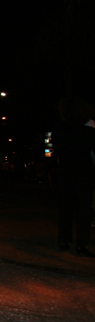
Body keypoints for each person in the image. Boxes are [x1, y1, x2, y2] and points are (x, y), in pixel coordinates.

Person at [53, 96, 95, 257]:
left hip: (66, 170)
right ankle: (81, 244)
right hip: (85, 172)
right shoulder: (90, 131)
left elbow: (57, 149)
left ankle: (64, 239)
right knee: (84, 209)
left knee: (66, 207)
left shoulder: (59, 129)